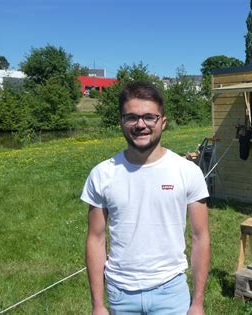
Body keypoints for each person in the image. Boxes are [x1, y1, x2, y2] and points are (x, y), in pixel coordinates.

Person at [81, 81, 210, 315]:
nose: (141, 125)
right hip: (121, 293)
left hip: (171, 292)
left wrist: (198, 303)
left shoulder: (187, 171)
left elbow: (201, 237)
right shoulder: (102, 174)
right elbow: (95, 239)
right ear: (121, 122)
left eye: (149, 117)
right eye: (131, 117)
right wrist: (98, 305)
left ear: (163, 122)